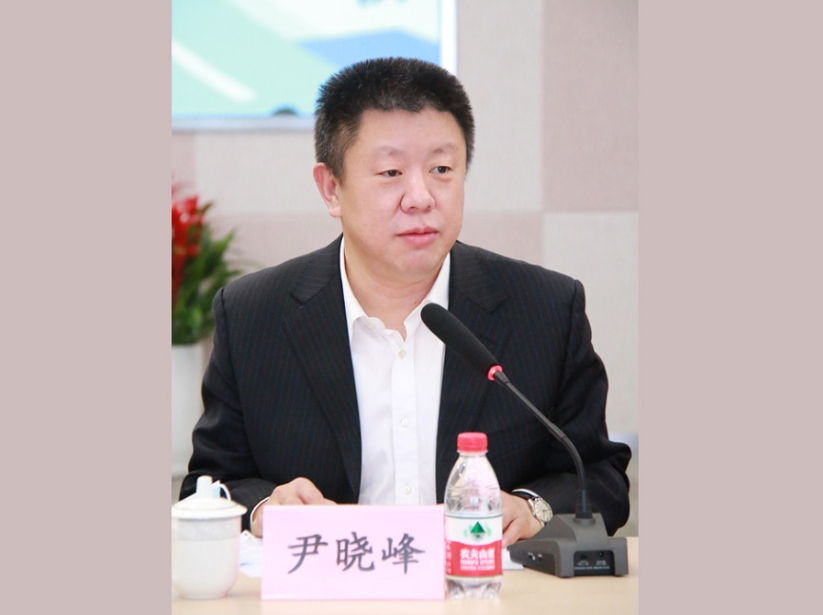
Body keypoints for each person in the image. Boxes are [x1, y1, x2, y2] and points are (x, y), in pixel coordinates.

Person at [180, 57, 631, 545]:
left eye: (441, 169)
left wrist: (532, 507)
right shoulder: (253, 316)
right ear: (332, 189)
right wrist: (266, 509)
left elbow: (599, 477)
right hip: (332, 583)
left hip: (483, 583)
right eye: (391, 171)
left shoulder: (546, 309)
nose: (420, 196)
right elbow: (210, 485)